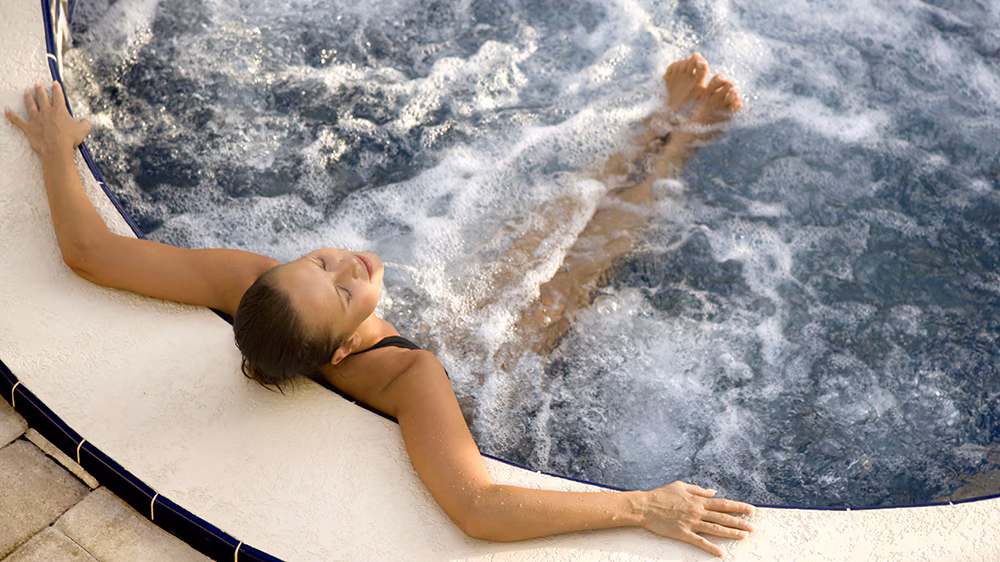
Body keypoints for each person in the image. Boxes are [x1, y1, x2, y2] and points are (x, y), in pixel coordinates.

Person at [5, 53, 754, 557]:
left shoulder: (252, 285)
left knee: (533, 236)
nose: (346, 264)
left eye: (319, 262)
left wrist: (56, 153)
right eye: (342, 291)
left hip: (399, 332)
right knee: (569, 279)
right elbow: (478, 509)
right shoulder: (410, 376)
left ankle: (652, 125)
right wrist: (641, 509)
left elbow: (91, 254)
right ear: (339, 350)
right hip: (487, 372)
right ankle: (681, 143)